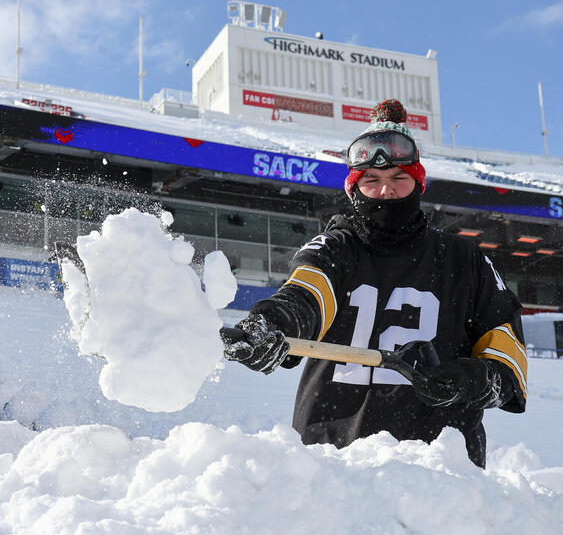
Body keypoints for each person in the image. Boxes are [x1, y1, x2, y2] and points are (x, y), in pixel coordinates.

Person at [221, 99, 527, 468]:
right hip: (333, 463)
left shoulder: (467, 260)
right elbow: (306, 294)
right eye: (372, 181)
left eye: (399, 179)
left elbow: (508, 361)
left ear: (419, 184)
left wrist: (466, 380)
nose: (386, 191)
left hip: (444, 476)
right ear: (354, 189)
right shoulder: (337, 248)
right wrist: (271, 324)